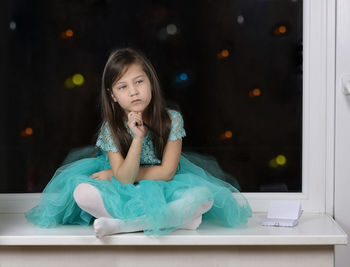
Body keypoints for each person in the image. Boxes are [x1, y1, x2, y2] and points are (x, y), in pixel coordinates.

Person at [25, 48, 252, 238]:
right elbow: (124, 180)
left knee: (204, 196)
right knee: (82, 193)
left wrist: (115, 173)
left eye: (139, 82)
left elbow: (167, 173)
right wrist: (138, 138)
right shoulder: (111, 127)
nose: (133, 91)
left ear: (150, 83)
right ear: (112, 95)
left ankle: (122, 226)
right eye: (122, 87)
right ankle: (176, 220)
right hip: (122, 188)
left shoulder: (171, 119)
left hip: (162, 185)